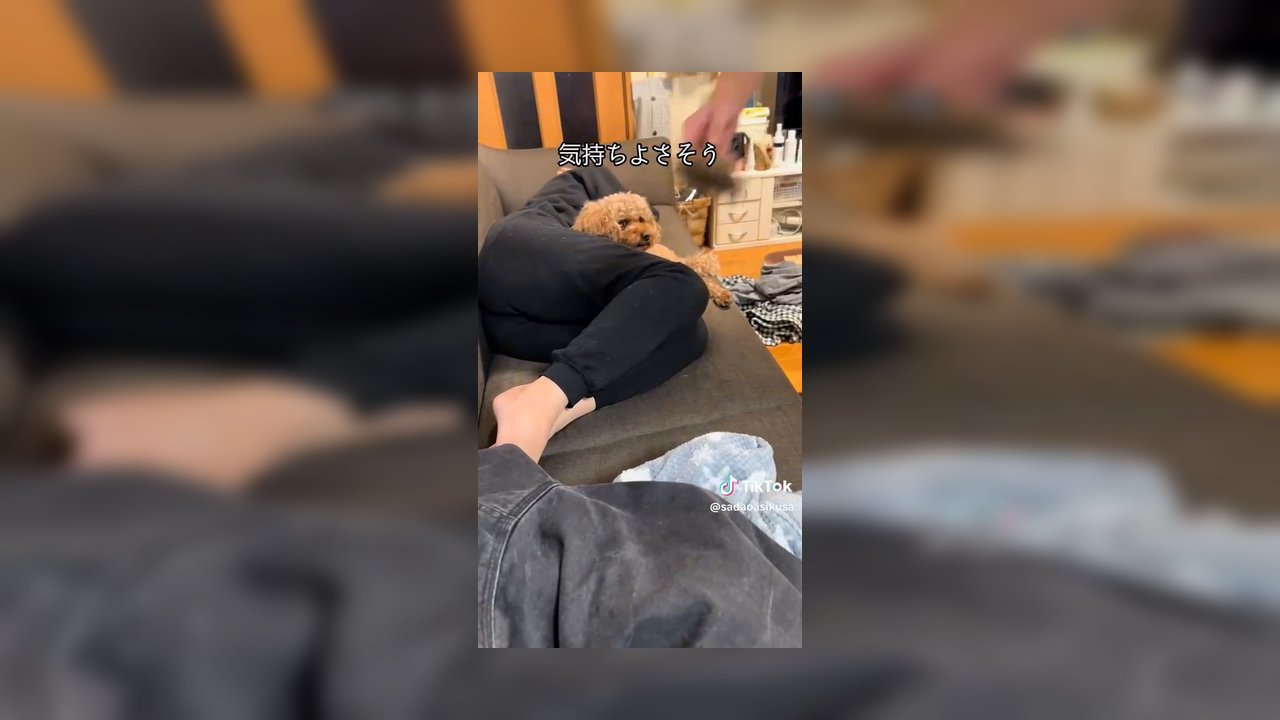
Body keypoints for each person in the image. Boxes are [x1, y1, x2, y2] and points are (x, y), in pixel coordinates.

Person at [479, 166, 709, 464]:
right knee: (683, 282)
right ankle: (544, 398)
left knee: (692, 333)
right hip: (520, 244)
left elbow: (646, 213)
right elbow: (647, 210)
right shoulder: (582, 174)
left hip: (513, 327)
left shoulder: (588, 190)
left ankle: (567, 408)